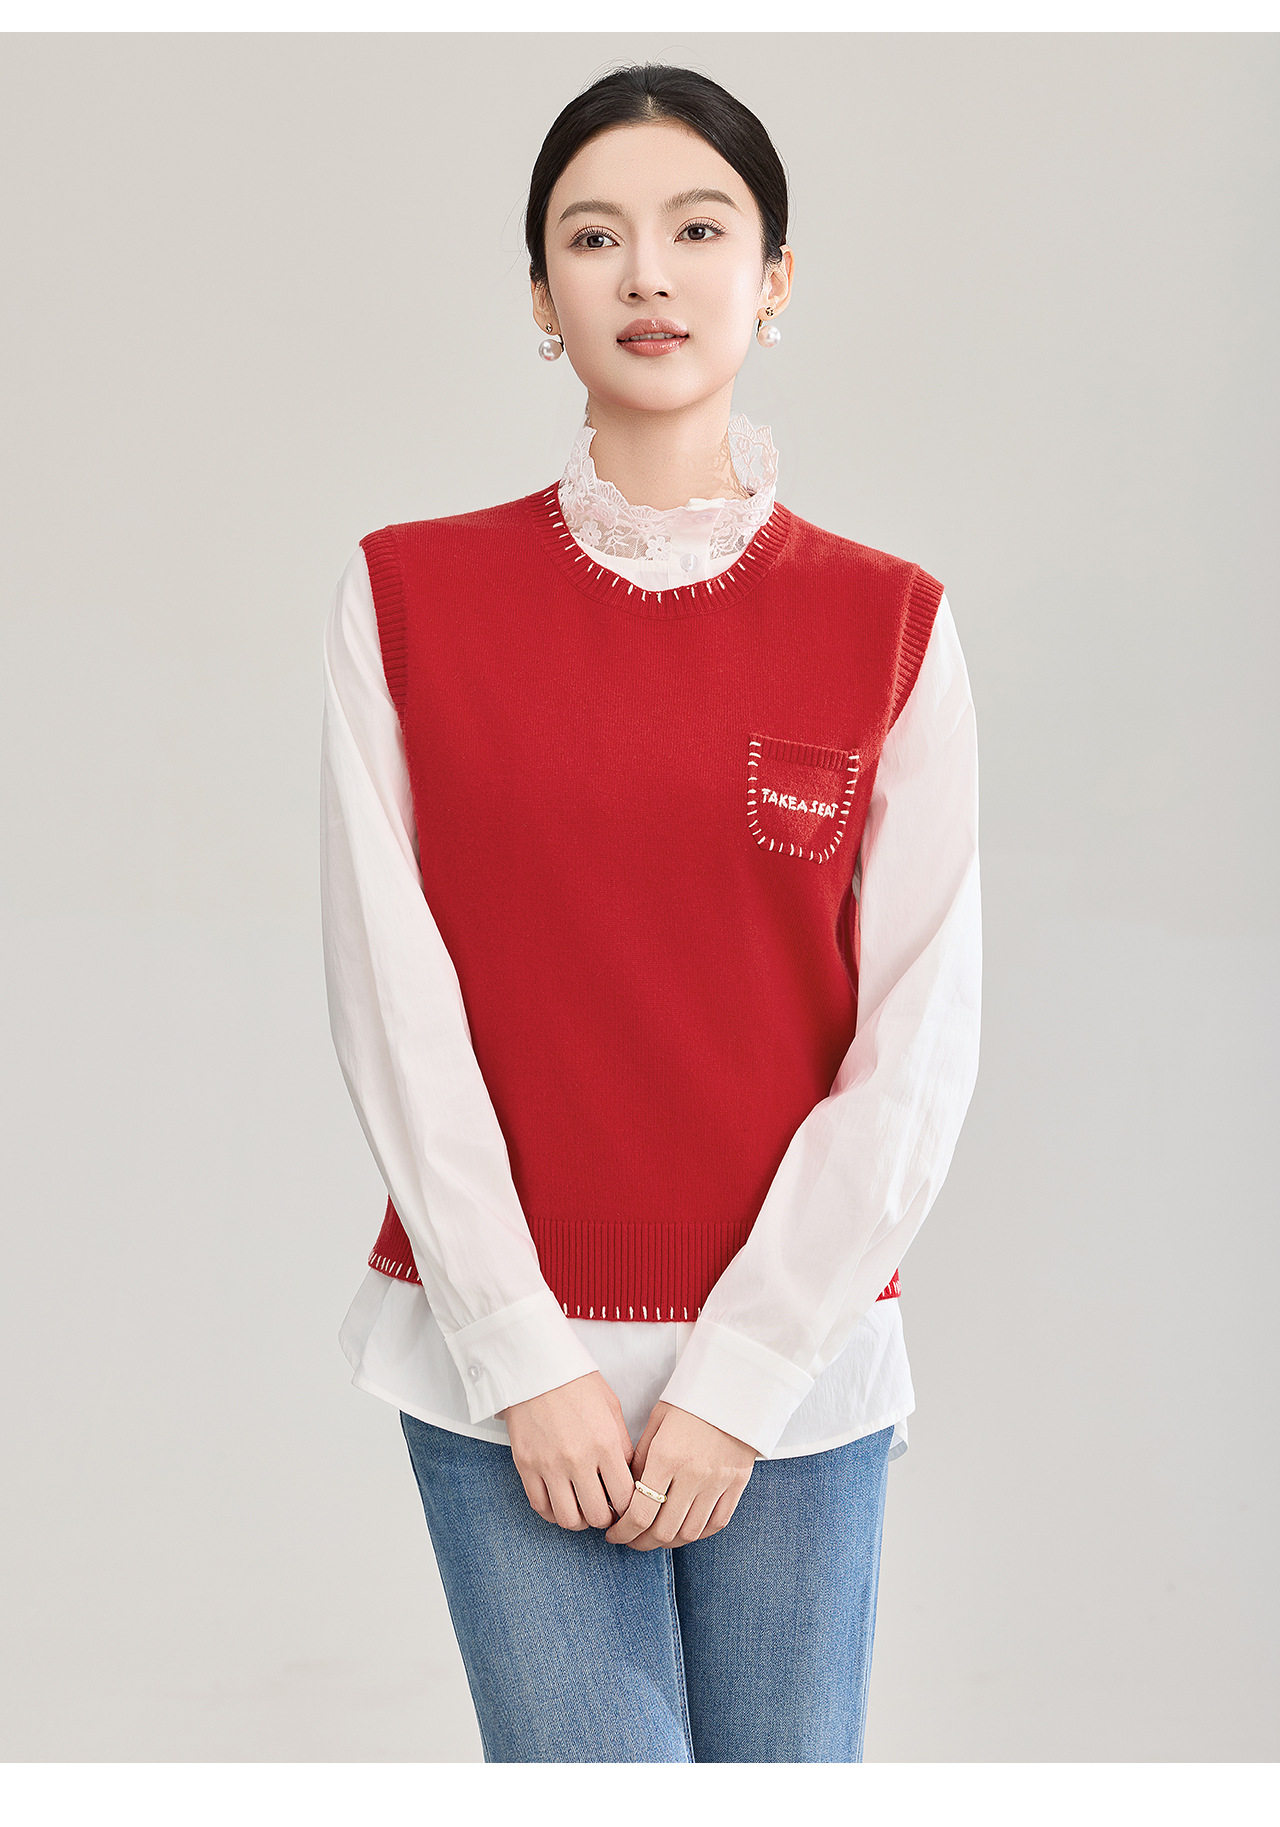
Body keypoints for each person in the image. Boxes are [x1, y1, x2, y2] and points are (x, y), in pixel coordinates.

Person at [320, 61, 982, 1764]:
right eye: (593, 237)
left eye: (698, 230)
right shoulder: (410, 597)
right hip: (503, 1366)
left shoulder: (890, 625)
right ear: (542, 298)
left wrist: (743, 1380)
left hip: (798, 1373)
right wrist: (517, 1351)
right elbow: (393, 1001)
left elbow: (915, 1045)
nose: (648, 275)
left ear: (774, 277)